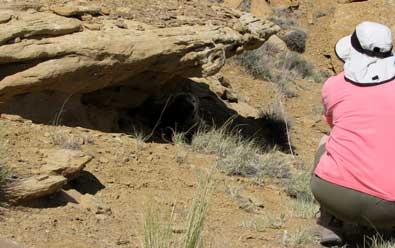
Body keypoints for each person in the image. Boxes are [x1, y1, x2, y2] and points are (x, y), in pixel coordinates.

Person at [311, 21, 395, 247]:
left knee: (327, 142)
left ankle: (330, 223)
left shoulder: (334, 86)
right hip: (390, 210)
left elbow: (333, 126)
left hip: (335, 196)